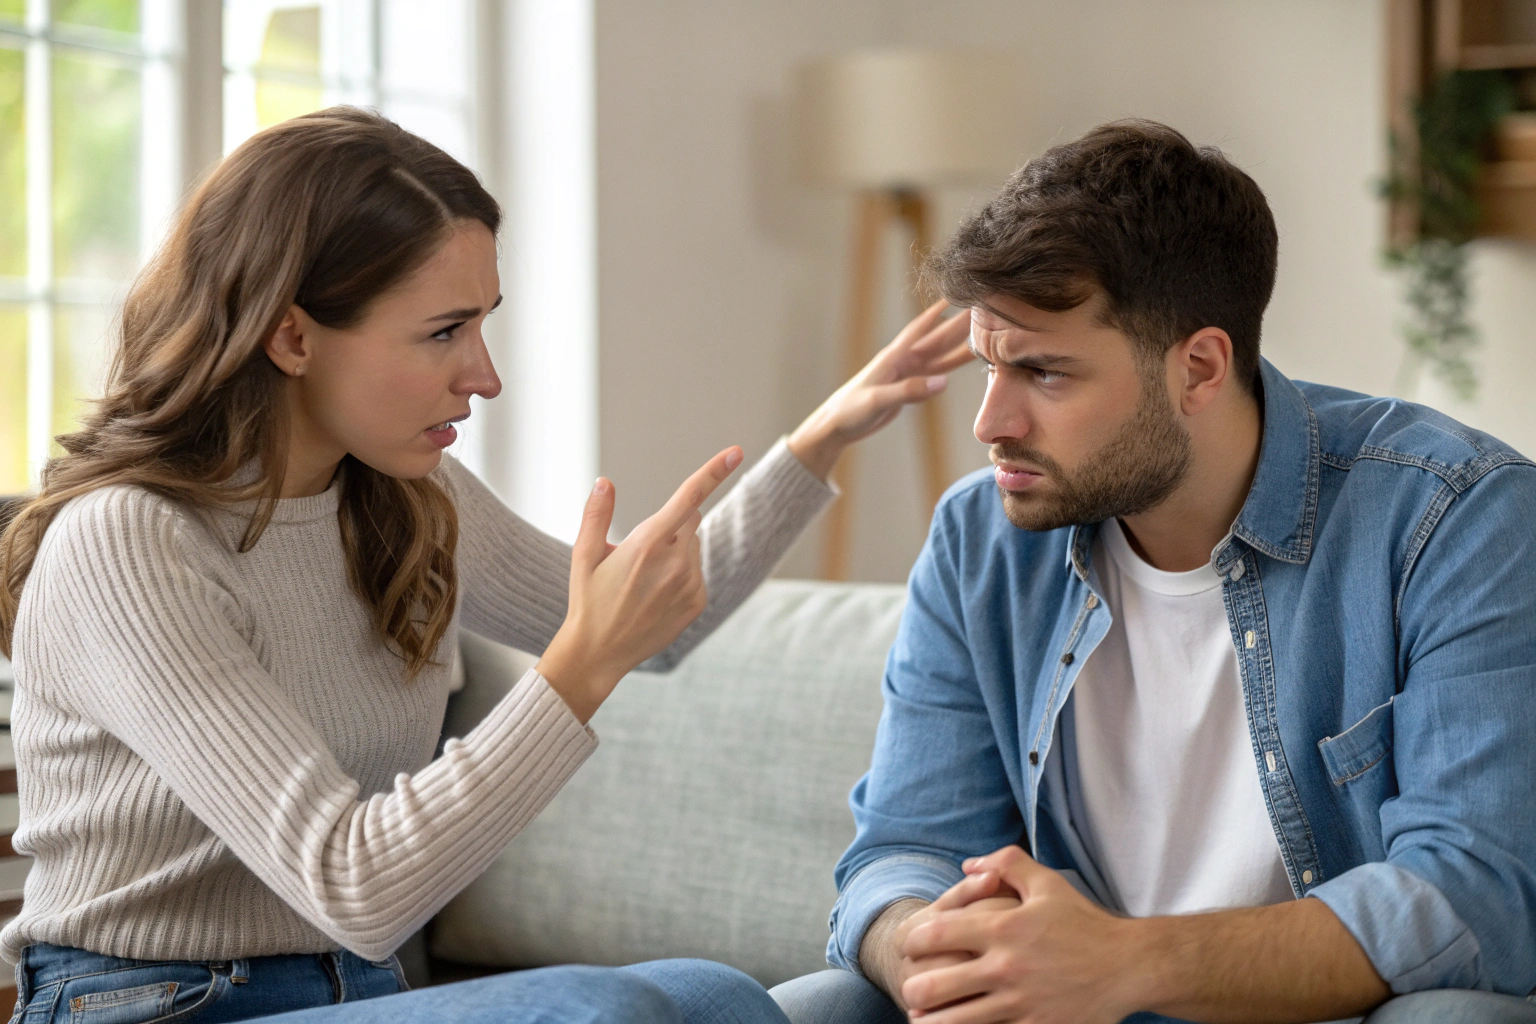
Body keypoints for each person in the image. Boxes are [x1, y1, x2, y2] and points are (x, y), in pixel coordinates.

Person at [0, 107, 972, 1024]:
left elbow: (653, 627)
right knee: (610, 1011)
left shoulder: (406, 498)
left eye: (482, 323)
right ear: (291, 334)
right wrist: (578, 670)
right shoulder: (127, 541)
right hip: (154, 1001)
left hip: (360, 992)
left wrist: (819, 443)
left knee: (721, 995)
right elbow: (356, 885)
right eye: (442, 333)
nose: (485, 375)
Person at [770, 120, 1536, 1024]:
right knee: (827, 1006)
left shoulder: (1456, 516)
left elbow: (1472, 895)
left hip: (1323, 1011)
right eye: (986, 365)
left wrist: (1123, 965)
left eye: (1044, 373)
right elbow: (905, 850)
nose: (990, 423)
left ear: (1200, 368)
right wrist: (928, 954)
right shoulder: (980, 540)